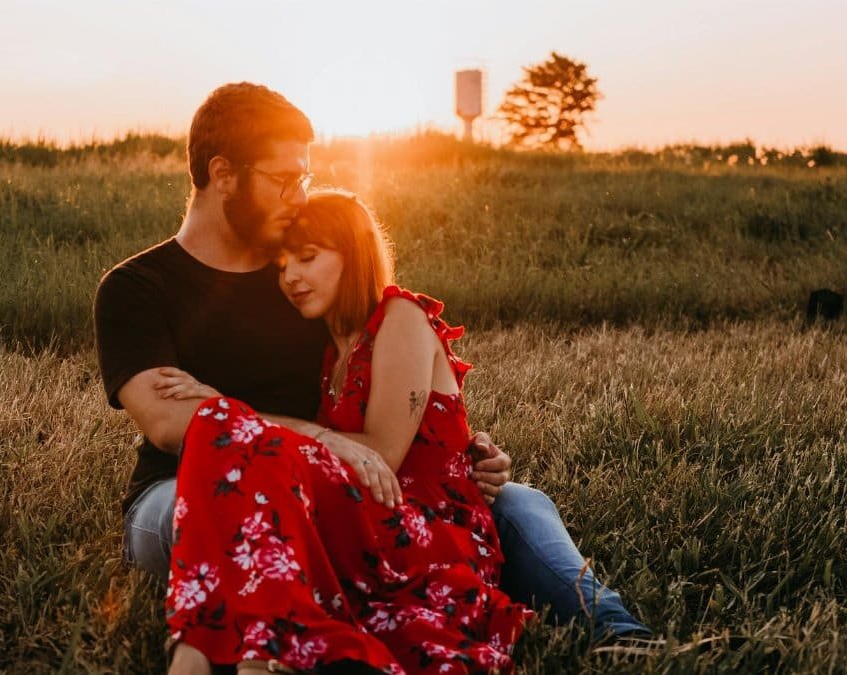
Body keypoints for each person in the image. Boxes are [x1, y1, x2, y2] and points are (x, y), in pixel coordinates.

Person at [93, 82, 650, 674]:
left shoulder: (301, 283)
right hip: (181, 490)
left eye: (304, 177)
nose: (298, 194)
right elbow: (170, 423)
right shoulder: (136, 288)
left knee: (513, 502)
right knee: (227, 503)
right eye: (284, 178)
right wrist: (323, 439)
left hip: (326, 483)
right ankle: (259, 645)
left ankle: (614, 631)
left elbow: (383, 382)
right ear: (223, 173)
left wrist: (461, 449)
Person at [159, 190, 537, 673]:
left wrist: (232, 410)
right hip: (369, 522)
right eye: (282, 265)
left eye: (308, 258)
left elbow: (383, 455)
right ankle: (219, 651)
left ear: (353, 253)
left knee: (221, 420)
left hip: (426, 528)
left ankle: (220, 653)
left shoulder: (399, 317)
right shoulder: (330, 352)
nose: (291, 276)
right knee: (227, 431)